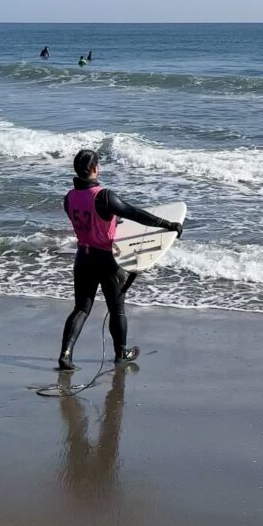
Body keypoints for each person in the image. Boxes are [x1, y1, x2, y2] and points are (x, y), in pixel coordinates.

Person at [57, 149, 183, 371]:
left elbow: (91, 222)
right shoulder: (103, 196)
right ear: (95, 168)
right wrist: (168, 224)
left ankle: (65, 355)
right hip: (106, 260)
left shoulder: (69, 198)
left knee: (81, 309)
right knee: (117, 310)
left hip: (83, 258)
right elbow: (134, 213)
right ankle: (121, 353)